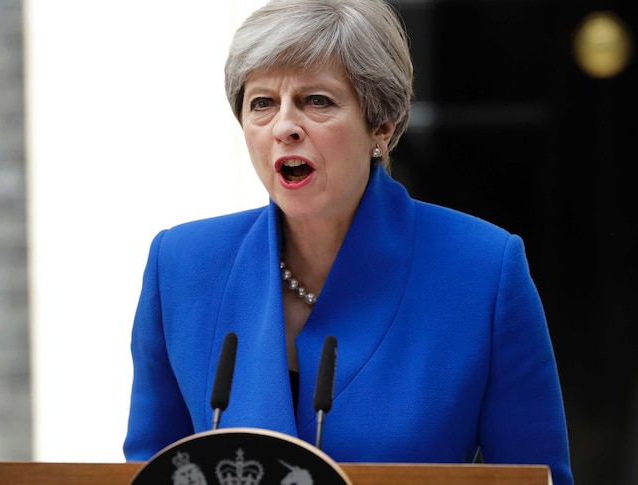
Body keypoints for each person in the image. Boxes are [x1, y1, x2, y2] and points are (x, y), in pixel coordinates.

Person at [123, 0, 573, 483]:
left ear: (382, 124)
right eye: (262, 103)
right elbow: (149, 469)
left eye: (317, 101)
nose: (284, 127)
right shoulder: (181, 266)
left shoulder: (484, 271)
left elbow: (537, 478)